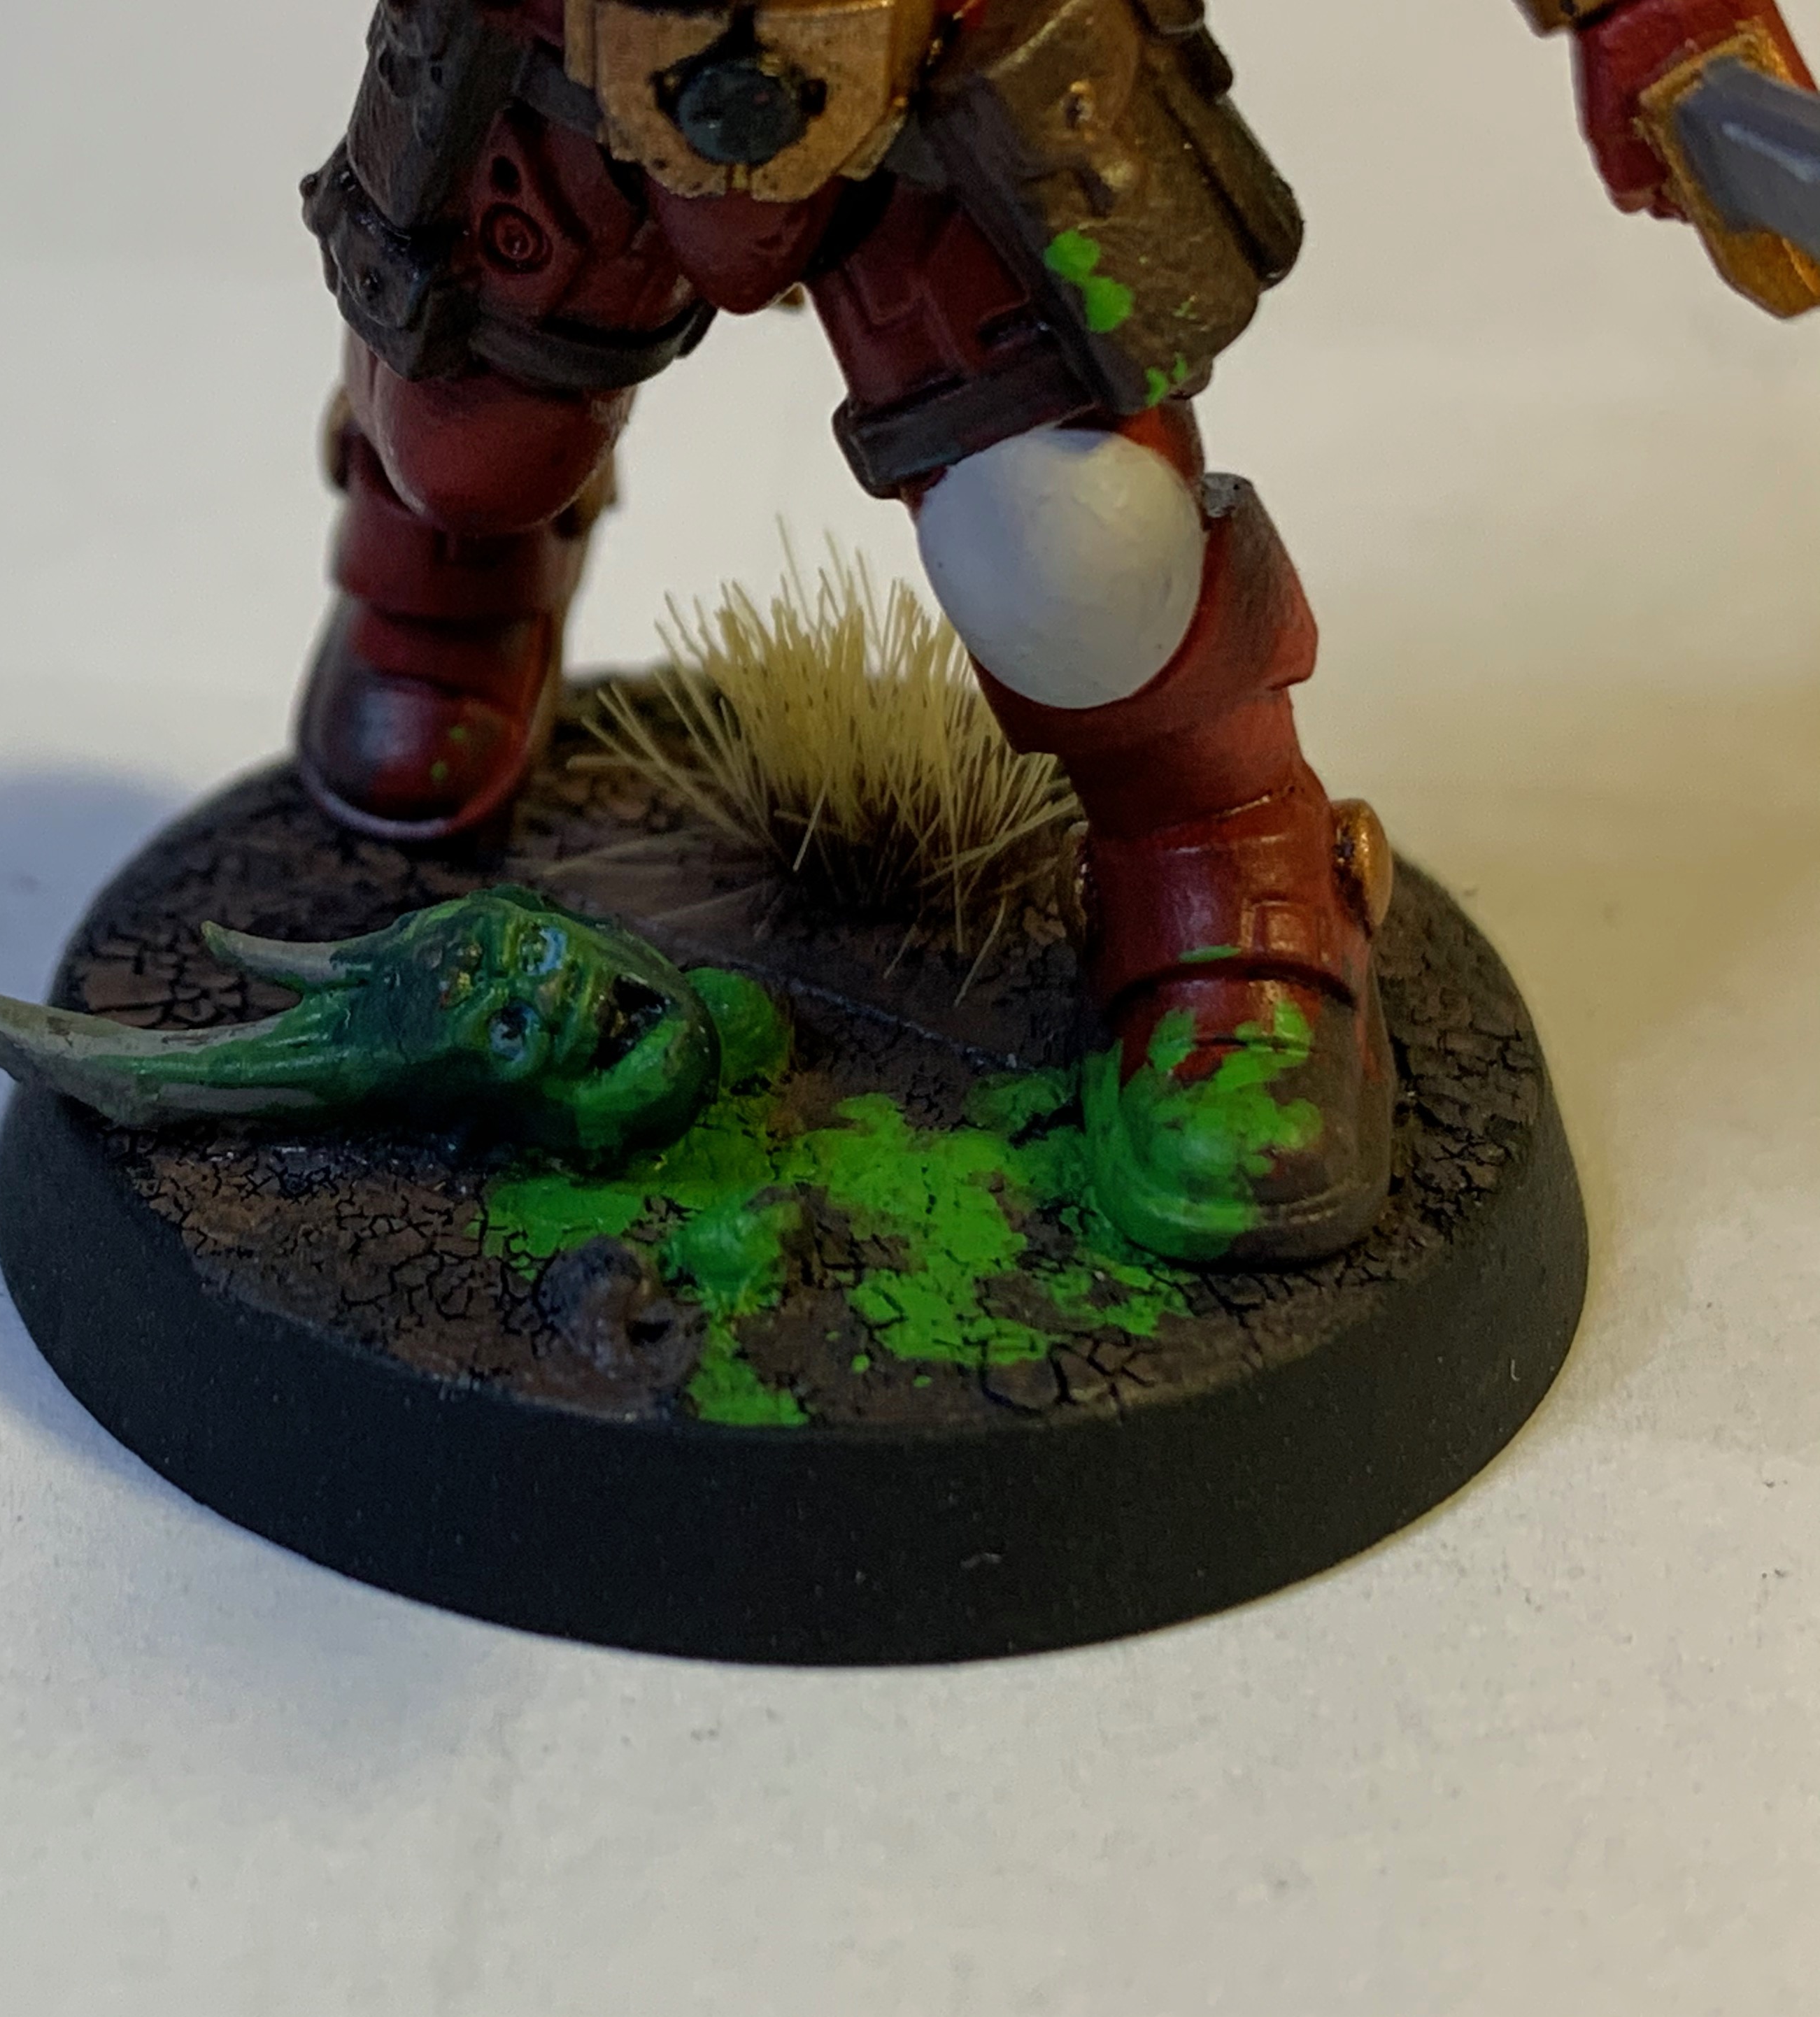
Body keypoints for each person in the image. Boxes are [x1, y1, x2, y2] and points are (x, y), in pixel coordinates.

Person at [292, 0, 1814, 1264]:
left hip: (955, 71)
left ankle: (1220, 855)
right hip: (561, 65)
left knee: (1079, 549)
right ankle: (445, 562)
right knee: (461, 440)